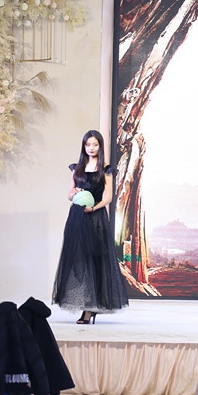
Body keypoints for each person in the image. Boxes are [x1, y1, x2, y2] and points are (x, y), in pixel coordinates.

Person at [52, 130, 129, 324]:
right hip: (77, 217)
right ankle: (86, 304)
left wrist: (93, 208)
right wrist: (76, 192)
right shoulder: (77, 168)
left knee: (93, 260)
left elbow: (108, 197)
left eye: (95, 144)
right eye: (88, 145)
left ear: (100, 146)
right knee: (78, 260)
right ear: (84, 146)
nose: (91, 148)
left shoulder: (106, 169)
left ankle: (89, 310)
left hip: (95, 218)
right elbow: (69, 195)